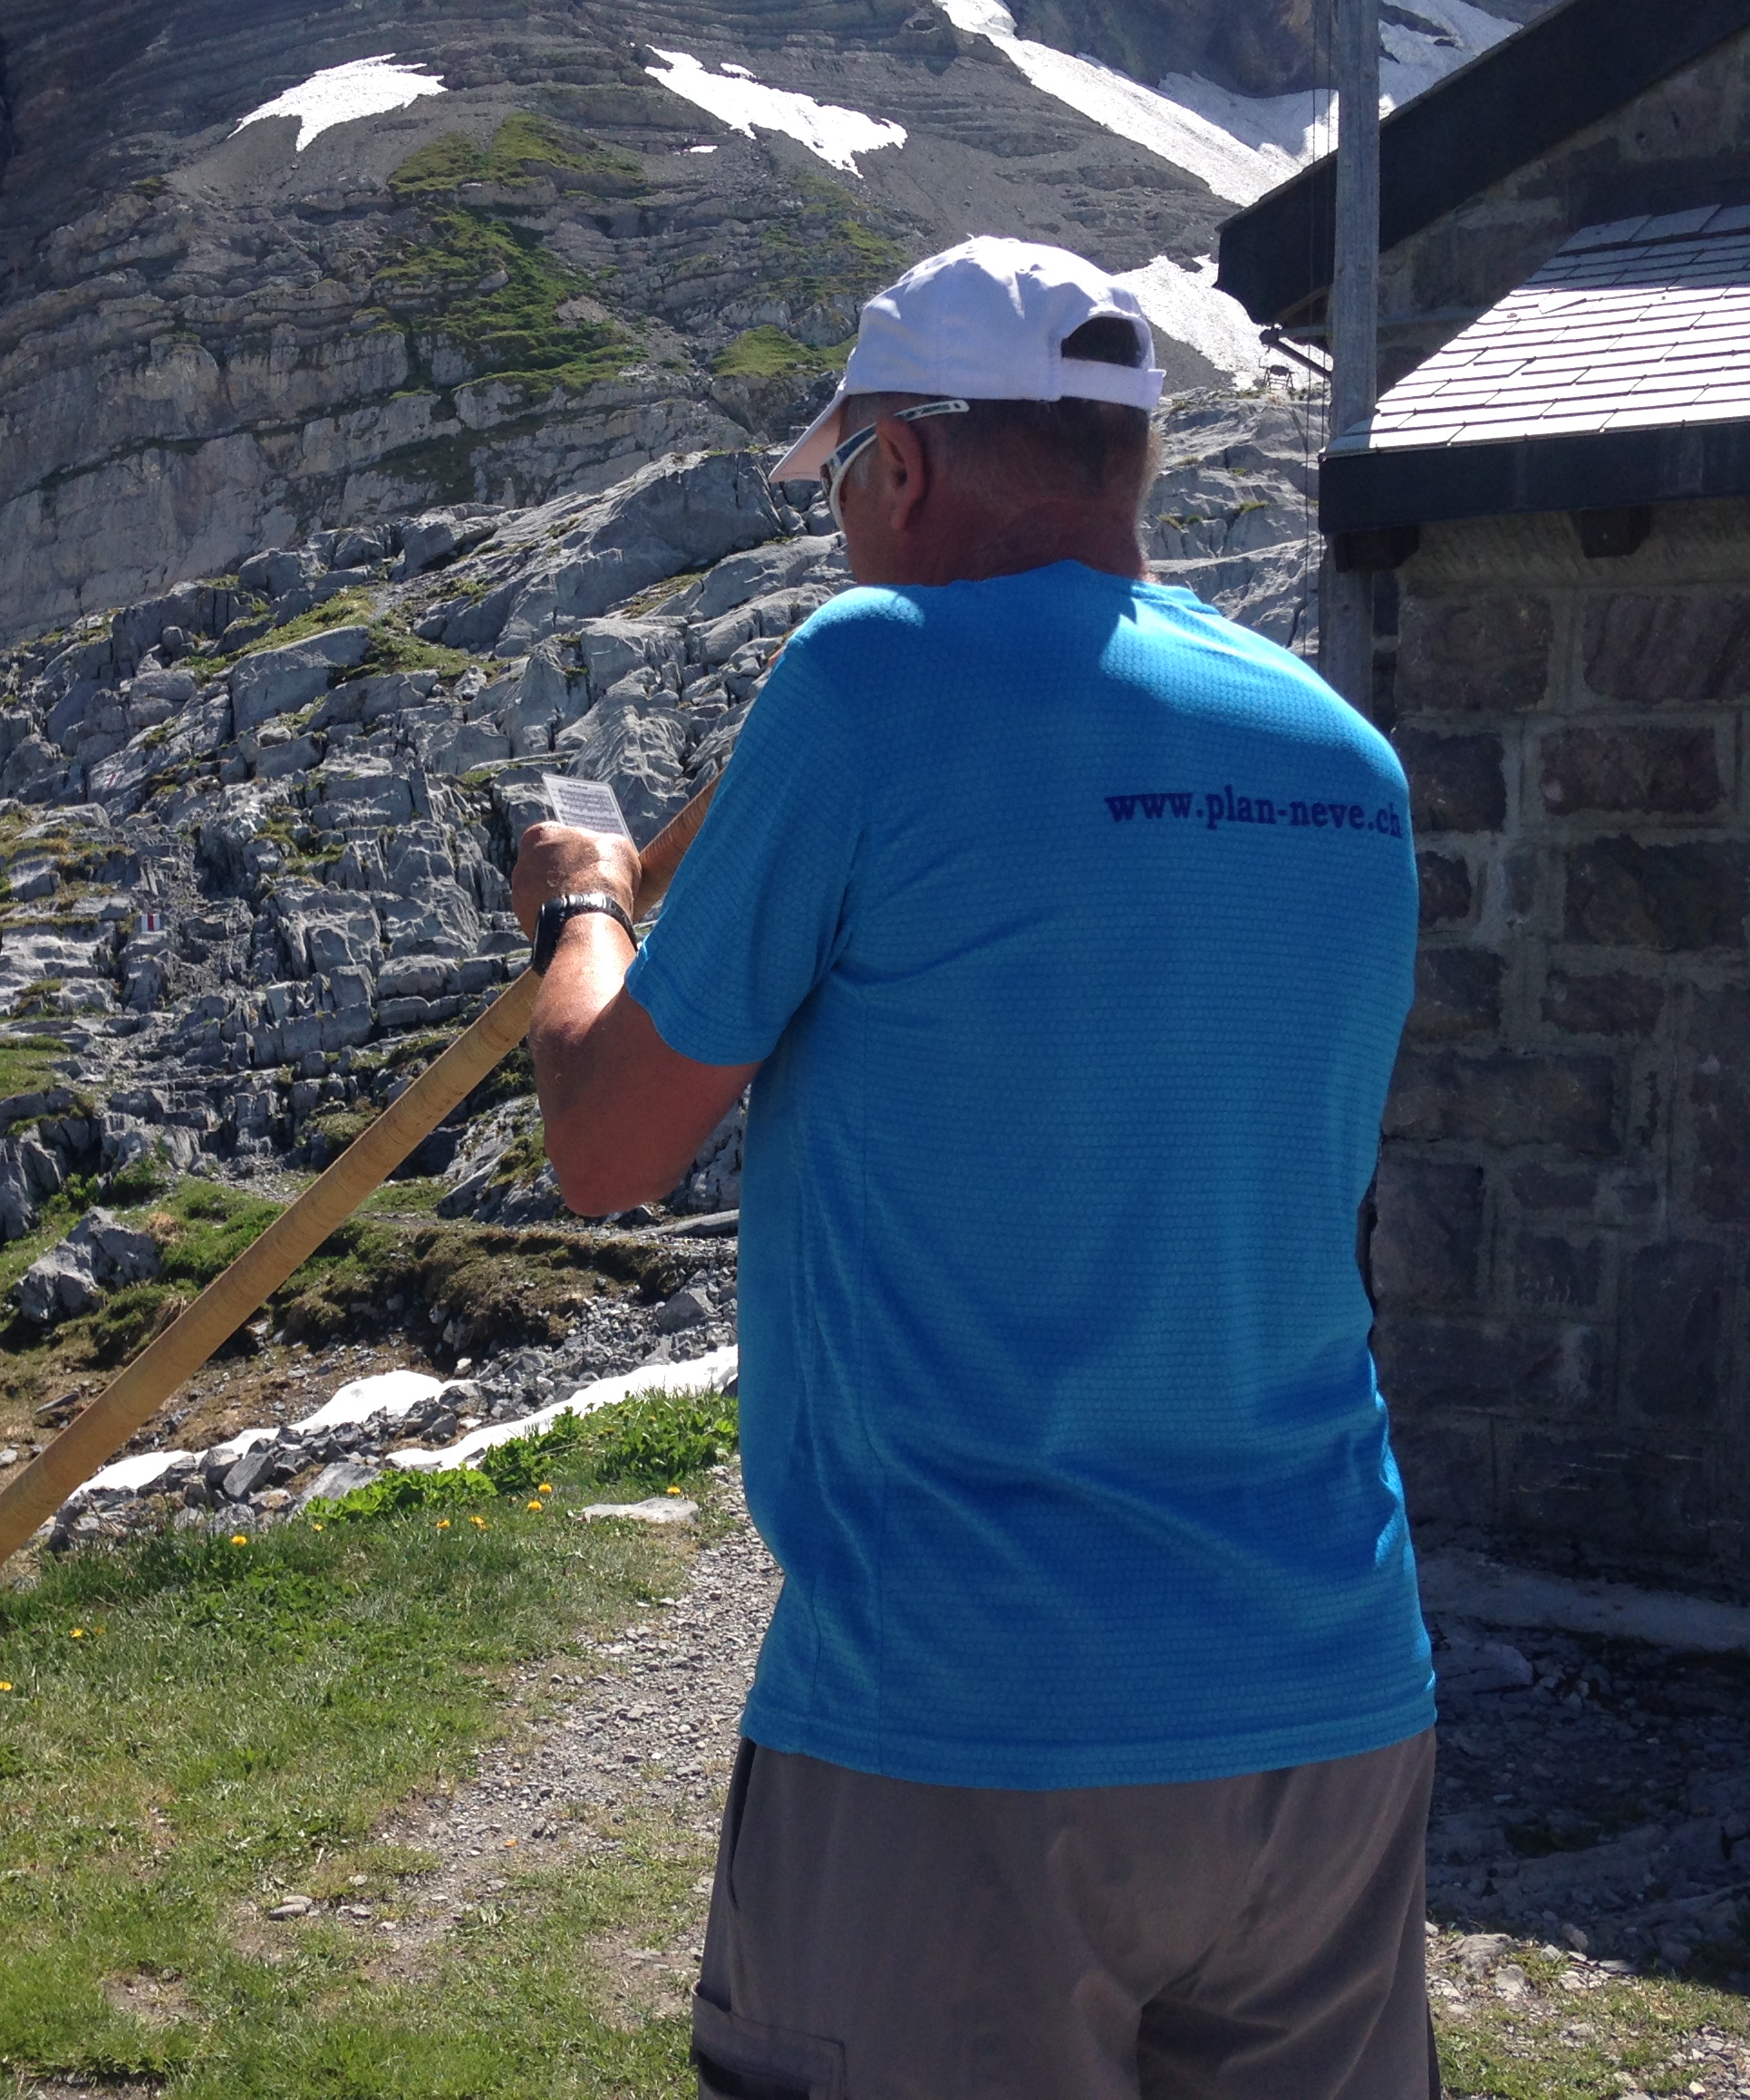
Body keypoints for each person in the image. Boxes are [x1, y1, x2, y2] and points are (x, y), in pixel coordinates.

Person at [508, 237, 1436, 2100]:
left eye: (843, 482)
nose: (844, 530)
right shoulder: (1346, 761)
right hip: (1332, 1704)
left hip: (971, 1723)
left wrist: (581, 908)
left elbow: (606, 1144)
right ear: (1133, 460)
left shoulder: (869, 675)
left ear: (907, 466)